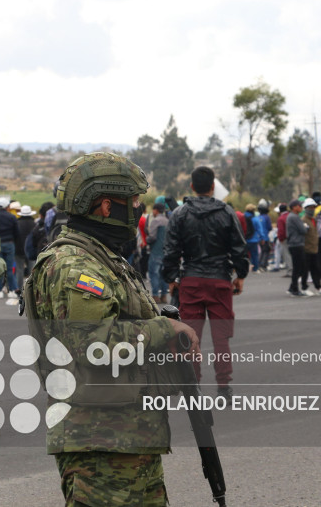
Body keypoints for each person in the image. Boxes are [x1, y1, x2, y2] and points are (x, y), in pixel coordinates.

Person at [27, 152, 201, 506]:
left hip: (127, 434)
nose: (138, 208)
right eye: (133, 200)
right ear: (106, 205)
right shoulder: (76, 267)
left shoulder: (103, 257)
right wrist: (164, 329)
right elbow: (95, 346)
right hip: (101, 443)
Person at [163, 166, 249, 397]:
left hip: (190, 280)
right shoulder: (227, 212)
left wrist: (171, 278)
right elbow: (239, 248)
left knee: (190, 337)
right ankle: (224, 387)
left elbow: (170, 249)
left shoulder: (180, 213)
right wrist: (240, 276)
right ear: (213, 187)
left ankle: (194, 388)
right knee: (222, 338)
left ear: (192, 186)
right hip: (220, 281)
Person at [302, 198, 321, 296]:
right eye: (309, 208)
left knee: (316, 270)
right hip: (306, 249)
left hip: (314, 249)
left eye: (313, 207)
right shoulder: (303, 220)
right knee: (305, 270)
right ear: (305, 209)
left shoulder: (314, 220)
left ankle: (318, 287)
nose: (312, 209)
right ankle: (304, 288)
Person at [146, 202, 169, 303]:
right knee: (164, 274)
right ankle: (164, 295)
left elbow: (152, 237)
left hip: (156, 251)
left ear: (156, 210)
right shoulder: (168, 221)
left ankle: (155, 296)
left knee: (154, 274)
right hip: (166, 252)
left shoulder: (156, 221)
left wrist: (147, 239)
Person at [285, 200, 309, 297]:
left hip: (294, 244)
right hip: (296, 244)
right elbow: (303, 230)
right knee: (299, 268)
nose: (301, 207)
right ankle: (295, 289)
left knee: (299, 267)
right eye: (300, 206)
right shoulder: (294, 217)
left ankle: (292, 287)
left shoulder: (291, 216)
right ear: (294, 207)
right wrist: (306, 227)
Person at [15, 205, 38, 296]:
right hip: (31, 250)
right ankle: (32, 288)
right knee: (32, 269)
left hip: (18, 249)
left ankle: (19, 289)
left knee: (19, 269)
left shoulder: (17, 223)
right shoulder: (34, 224)